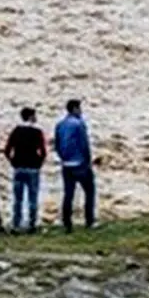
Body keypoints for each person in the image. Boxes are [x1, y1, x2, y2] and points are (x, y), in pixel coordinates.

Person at [54, 99, 96, 233]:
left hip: (66, 164)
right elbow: (84, 144)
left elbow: (57, 144)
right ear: (74, 109)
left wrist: (62, 157)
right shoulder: (79, 124)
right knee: (89, 191)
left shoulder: (60, 125)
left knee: (68, 194)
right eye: (79, 108)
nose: (81, 111)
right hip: (80, 163)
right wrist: (88, 160)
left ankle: (67, 222)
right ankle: (89, 220)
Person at [4, 107, 46, 234]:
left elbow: (7, 150)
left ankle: (16, 223)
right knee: (33, 198)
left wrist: (13, 162)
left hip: (19, 167)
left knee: (18, 199)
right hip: (33, 168)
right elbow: (43, 151)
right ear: (31, 117)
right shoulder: (38, 132)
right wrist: (39, 163)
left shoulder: (16, 131)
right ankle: (31, 224)